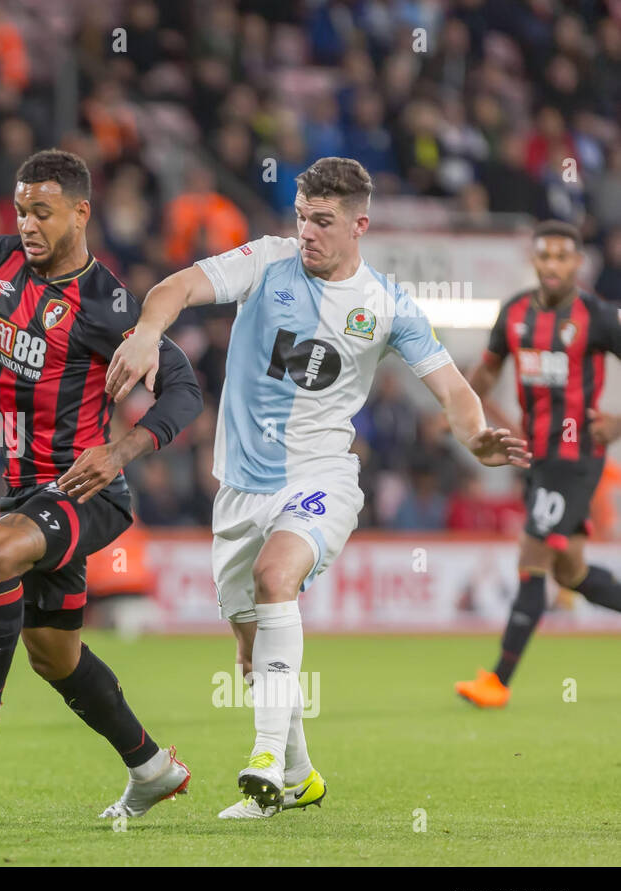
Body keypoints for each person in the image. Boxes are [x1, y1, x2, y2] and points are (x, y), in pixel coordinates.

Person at [106, 156, 529, 819]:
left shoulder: (387, 305)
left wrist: (473, 435)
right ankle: (300, 777)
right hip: (241, 489)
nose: (308, 232)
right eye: (302, 217)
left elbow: (452, 390)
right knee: (251, 653)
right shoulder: (268, 261)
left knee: (279, 578)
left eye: (324, 222)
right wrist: (149, 333)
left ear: (360, 224)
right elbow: (179, 286)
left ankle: (266, 758)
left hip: (321, 477)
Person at [0, 149, 204, 818]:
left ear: (81, 213)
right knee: (55, 657)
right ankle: (150, 768)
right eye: (22, 209)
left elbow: (185, 389)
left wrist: (123, 451)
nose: (27, 224)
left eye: (43, 212)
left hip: (91, 491)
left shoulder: (109, 306)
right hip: (27, 492)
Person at [456, 220, 621, 707]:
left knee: (532, 558)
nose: (552, 265)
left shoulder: (597, 316)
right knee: (570, 571)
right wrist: (465, 415)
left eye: (562, 257)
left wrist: (618, 424)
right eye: (544, 256)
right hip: (538, 459)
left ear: (577, 263)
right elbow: (484, 373)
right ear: (534, 260)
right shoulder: (515, 313)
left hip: (576, 458)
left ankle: (498, 681)